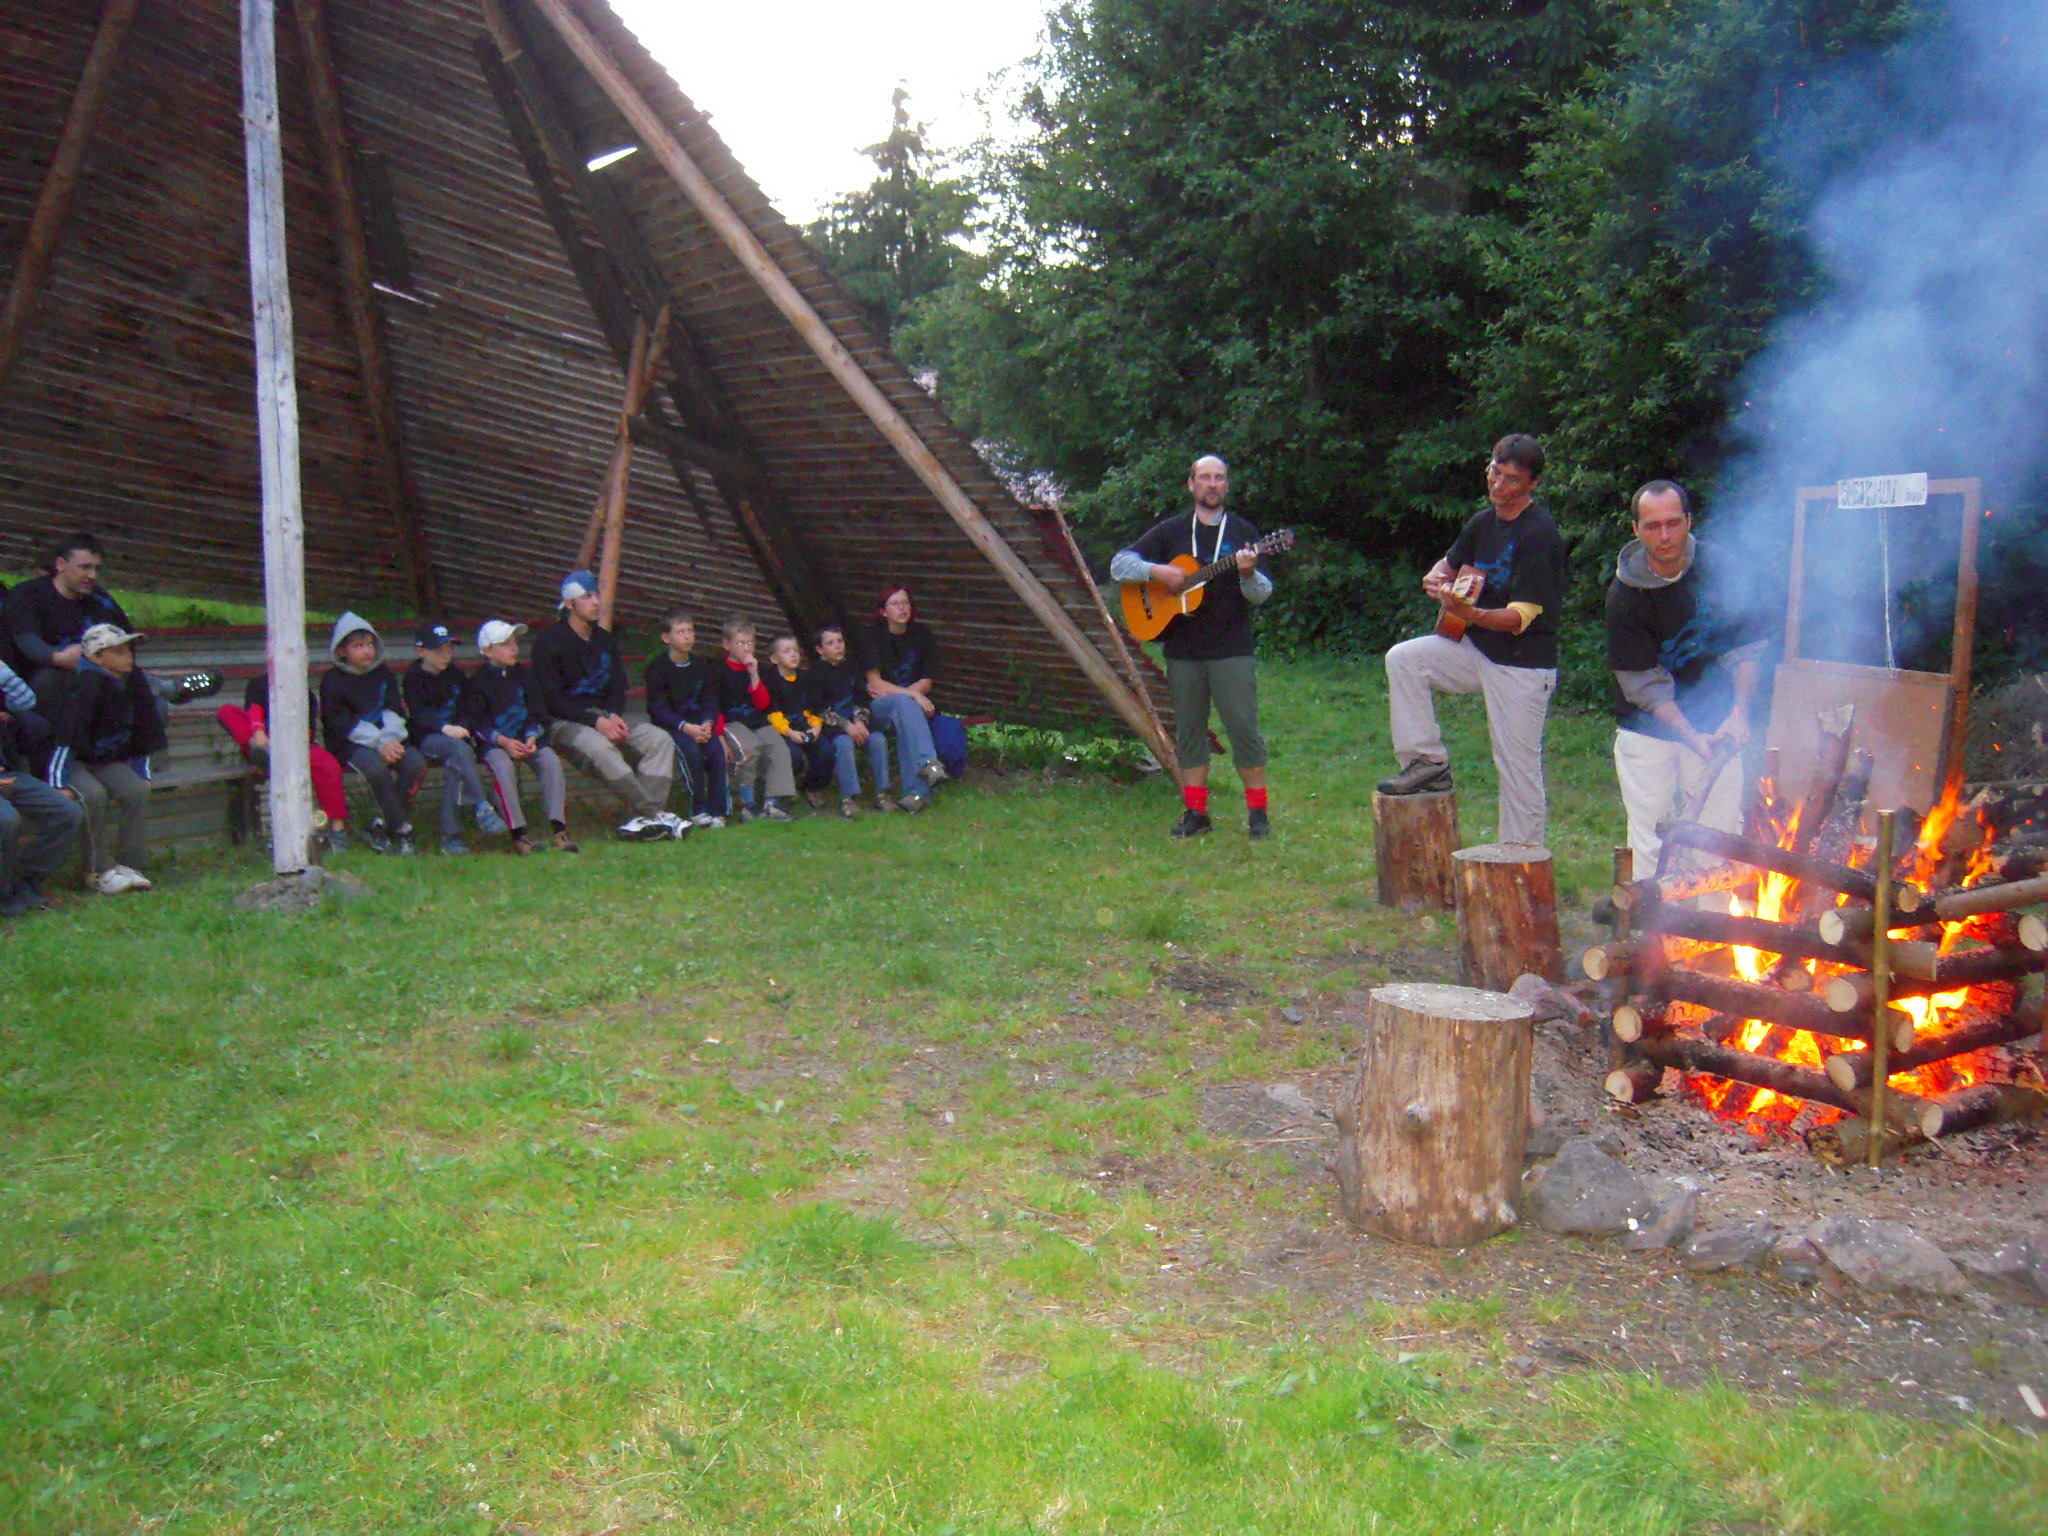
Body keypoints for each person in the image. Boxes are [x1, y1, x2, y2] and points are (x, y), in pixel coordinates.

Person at [1378, 434, 1566, 847]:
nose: (1499, 485)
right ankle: (1426, 763)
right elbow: (1447, 566)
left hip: (1523, 664)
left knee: (1516, 770)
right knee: (1404, 659)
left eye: (1512, 479)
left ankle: (1519, 862)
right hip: (1476, 649)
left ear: (1533, 483)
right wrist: (1436, 579)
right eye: (1495, 473)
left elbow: (1520, 617)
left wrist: (1471, 614)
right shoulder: (1482, 523)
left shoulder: (1539, 534)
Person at [1109, 455, 1274, 839]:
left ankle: (1258, 812)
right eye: (1205, 477)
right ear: (1192, 484)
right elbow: (1119, 564)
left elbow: (1262, 594)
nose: (1212, 484)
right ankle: (1196, 813)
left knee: (1243, 728)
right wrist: (1156, 571)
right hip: (1183, 650)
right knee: (1189, 732)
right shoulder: (1172, 531)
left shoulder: (1244, 533)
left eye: (1219, 478)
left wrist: (1248, 574)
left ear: (1226, 485)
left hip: (1231, 648)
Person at [1606, 480, 1766, 872]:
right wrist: (1690, 735)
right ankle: (1651, 912)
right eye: (1652, 526)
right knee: (1651, 840)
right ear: (1636, 530)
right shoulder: (1623, 597)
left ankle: (1714, 913)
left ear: (1689, 521)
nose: (1665, 536)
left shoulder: (1720, 569)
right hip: (1646, 727)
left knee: (1717, 840)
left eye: (1673, 523)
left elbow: (1745, 649)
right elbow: (1646, 686)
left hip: (1718, 721)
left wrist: (1739, 714)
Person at [532, 570, 681, 841]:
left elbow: (616, 687)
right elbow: (552, 700)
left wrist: (612, 715)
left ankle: (638, 822)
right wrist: (595, 722)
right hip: (565, 722)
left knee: (659, 740)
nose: (596, 602)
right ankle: (654, 815)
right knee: (602, 749)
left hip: (604, 717)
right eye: (587, 597)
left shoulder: (605, 640)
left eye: (597, 595)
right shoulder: (548, 642)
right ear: (570, 604)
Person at [0, 532, 220, 709]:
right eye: (85, 567)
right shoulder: (27, 595)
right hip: (43, 678)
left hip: (101, 672)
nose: (92, 576)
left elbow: (125, 640)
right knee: (55, 680)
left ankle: (166, 688)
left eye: (97, 568)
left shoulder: (100, 599)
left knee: (146, 699)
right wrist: (60, 657)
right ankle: (167, 687)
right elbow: (26, 641)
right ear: (61, 564)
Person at [44, 623, 166, 893]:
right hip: (72, 762)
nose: (128, 657)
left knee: (136, 791)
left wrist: (142, 773)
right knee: (93, 795)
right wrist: (57, 783)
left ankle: (130, 864)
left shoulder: (134, 683)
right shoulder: (84, 685)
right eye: (119, 652)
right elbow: (65, 738)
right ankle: (97, 870)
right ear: (97, 658)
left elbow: (145, 733)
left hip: (105, 760)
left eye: (129, 650)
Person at [459, 620, 576, 855]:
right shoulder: (478, 682)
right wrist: (503, 741)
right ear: (488, 650)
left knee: (550, 761)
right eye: (505, 644)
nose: (513, 649)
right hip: (494, 743)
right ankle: (519, 834)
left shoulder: (526, 675)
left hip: (526, 739)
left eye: (514, 643)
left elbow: (537, 712)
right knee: (502, 767)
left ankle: (559, 829)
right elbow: (477, 723)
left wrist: (531, 737)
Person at [319, 611, 427, 854]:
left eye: (369, 644)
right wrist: (379, 743)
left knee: (414, 763)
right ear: (342, 651)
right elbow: (340, 722)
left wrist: (389, 739)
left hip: (389, 738)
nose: (367, 651)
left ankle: (379, 823)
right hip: (351, 743)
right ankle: (402, 829)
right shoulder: (332, 681)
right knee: (377, 769)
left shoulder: (383, 674)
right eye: (358, 646)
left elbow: (395, 709)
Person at [402, 620, 508, 855]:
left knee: (455, 764)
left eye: (449, 649)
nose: (445, 655)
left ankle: (452, 838)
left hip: (457, 743)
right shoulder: (413, 679)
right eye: (438, 650)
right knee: (459, 750)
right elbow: (419, 714)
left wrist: (461, 726)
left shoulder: (456, 676)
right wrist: (444, 728)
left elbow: (467, 709)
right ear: (421, 651)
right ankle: (481, 805)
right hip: (428, 739)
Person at [215, 673, 354, 851]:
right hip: (261, 742)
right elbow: (254, 711)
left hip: (295, 746)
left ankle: (337, 828)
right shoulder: (259, 683)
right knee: (227, 711)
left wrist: (285, 745)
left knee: (329, 765)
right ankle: (263, 756)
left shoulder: (306, 694)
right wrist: (259, 734)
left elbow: (307, 732)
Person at [861, 586, 955, 815]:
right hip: (879, 707)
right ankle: (928, 765)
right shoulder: (872, 636)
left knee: (907, 714)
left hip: (909, 706)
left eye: (905, 603)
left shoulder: (922, 634)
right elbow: (875, 682)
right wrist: (913, 695)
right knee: (905, 705)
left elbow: (927, 680)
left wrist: (910, 697)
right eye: (895, 604)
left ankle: (915, 796)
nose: (902, 608)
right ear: (883, 611)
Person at [0, 664, 84, 916]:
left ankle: (24, 878)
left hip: (9, 774)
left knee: (67, 813)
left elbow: (25, 700)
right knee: (6, 820)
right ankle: (4, 895)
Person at [643, 609, 728, 829]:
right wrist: (685, 727)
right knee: (691, 753)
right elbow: (657, 708)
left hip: (700, 724)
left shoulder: (701, 666)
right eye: (680, 632)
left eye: (690, 631)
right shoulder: (657, 669)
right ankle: (697, 809)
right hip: (674, 726)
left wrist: (708, 722)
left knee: (716, 752)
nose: (688, 636)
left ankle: (719, 810)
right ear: (666, 638)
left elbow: (710, 698)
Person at [805, 623, 890, 817]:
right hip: (833, 727)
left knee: (878, 740)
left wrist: (860, 721)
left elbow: (862, 698)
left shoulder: (852, 668)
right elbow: (818, 709)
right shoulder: (815, 675)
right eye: (831, 643)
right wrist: (847, 726)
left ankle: (882, 793)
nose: (837, 646)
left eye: (840, 641)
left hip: (857, 723)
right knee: (844, 744)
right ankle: (848, 798)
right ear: (820, 650)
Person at [717, 617, 796, 821]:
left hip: (756, 720)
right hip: (732, 722)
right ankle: (748, 803)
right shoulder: (718, 671)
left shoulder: (759, 670)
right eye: (740, 643)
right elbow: (713, 705)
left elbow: (763, 704)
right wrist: (719, 736)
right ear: (727, 645)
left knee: (778, 748)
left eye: (750, 642)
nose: (747, 648)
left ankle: (773, 802)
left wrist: (754, 675)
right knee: (750, 749)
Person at [764, 634, 835, 803]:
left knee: (826, 752)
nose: (793, 655)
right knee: (793, 757)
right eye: (786, 651)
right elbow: (772, 712)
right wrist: (789, 732)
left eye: (795, 650)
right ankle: (787, 789)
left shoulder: (805, 678)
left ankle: (812, 787)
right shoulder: (770, 679)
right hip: (781, 729)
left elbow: (813, 707)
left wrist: (816, 727)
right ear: (774, 658)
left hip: (803, 725)